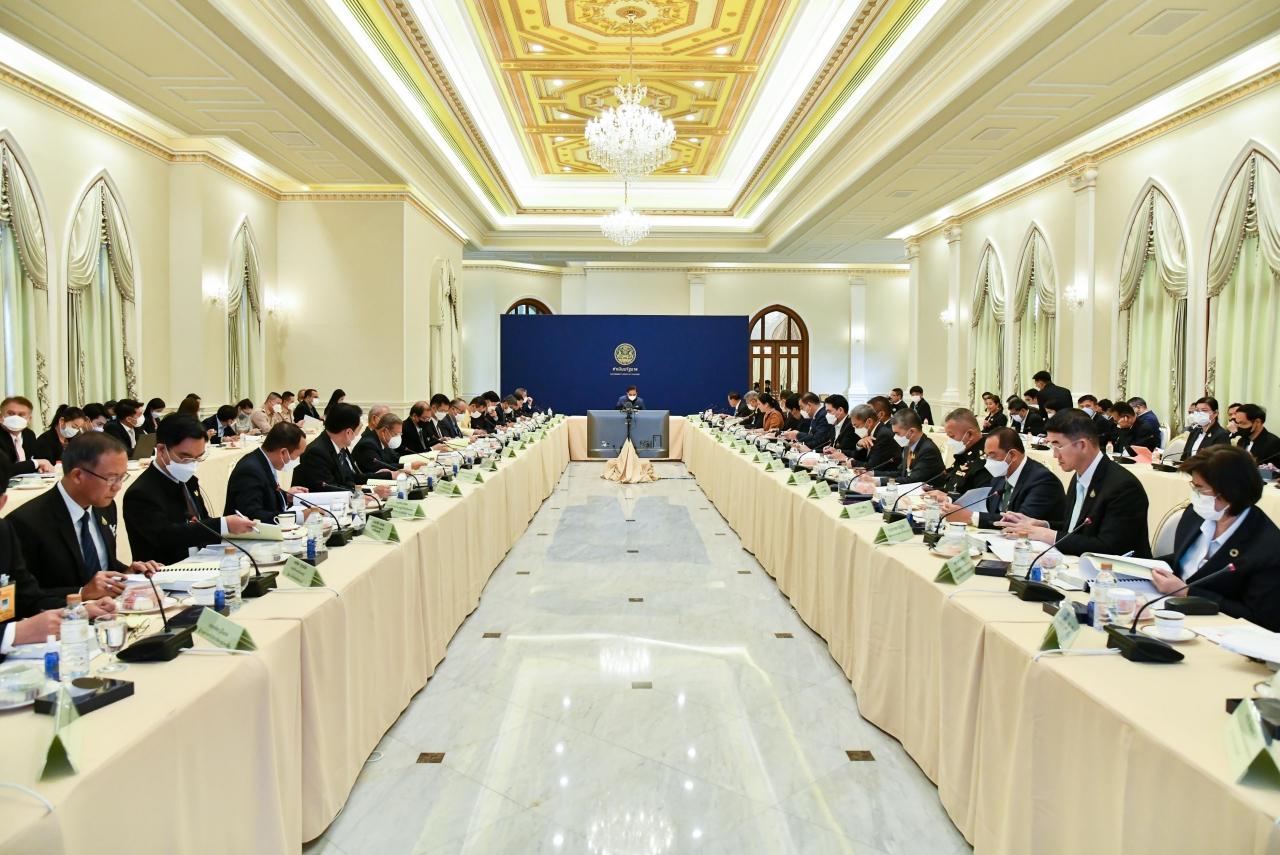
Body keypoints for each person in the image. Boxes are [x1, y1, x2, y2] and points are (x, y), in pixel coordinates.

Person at [10, 432, 163, 603]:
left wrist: (126, 573)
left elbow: (102, 564)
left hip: (109, 609)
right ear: (77, 475)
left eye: (122, 478)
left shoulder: (105, 507)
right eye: (111, 478)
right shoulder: (27, 522)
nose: (118, 487)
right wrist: (81, 593)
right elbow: (22, 597)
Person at [1151, 445, 1280, 630]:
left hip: (1222, 633)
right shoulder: (1195, 515)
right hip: (1168, 615)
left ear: (1228, 492)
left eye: (1200, 488)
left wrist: (1188, 593)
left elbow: (1261, 619)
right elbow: (1185, 562)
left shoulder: (1269, 548)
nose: (1194, 494)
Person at [1001, 409, 1150, 557]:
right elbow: (1075, 528)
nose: (1055, 454)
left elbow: (1109, 548)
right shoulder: (1079, 476)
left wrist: (1047, 535)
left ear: (1082, 445)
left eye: (1058, 446)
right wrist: (1042, 525)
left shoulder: (1123, 487)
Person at [0, 477, 118, 659]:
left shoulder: (3, 532)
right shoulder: (23, 521)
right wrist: (13, 633)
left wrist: (78, 610)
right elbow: (20, 626)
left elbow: (29, 598)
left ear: (2, 502)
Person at [123, 415, 257, 565]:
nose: (191, 465)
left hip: (203, 562)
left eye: (198, 458)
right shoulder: (141, 493)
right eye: (185, 457)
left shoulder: (189, 481)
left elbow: (201, 521)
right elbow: (167, 536)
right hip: (167, 570)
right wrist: (223, 525)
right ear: (161, 450)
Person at [940, 427, 1065, 528]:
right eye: (986, 456)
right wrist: (949, 500)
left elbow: (1019, 522)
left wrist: (971, 517)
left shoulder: (1042, 480)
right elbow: (985, 503)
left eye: (992, 455)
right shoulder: (999, 477)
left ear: (1013, 455)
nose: (988, 461)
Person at [223, 422, 309, 522]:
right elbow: (252, 516)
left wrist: (284, 496)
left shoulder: (263, 460)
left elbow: (264, 497)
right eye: (297, 455)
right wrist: (298, 516)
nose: (297, 460)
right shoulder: (250, 471)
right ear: (283, 452)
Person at [293, 402, 386, 491]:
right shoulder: (316, 453)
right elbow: (330, 488)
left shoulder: (340, 446)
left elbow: (352, 477)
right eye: (358, 429)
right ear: (348, 432)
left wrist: (384, 476)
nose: (358, 434)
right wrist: (369, 491)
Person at [864, 409, 943, 485]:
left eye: (897, 433)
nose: (895, 437)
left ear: (911, 431)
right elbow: (900, 473)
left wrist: (878, 481)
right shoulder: (908, 446)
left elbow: (912, 480)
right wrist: (871, 473)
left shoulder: (928, 450)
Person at [931, 408, 993, 496]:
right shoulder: (964, 454)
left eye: (952, 436)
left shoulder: (986, 461)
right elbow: (952, 486)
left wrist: (947, 497)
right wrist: (935, 490)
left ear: (970, 435)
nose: (949, 442)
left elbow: (977, 499)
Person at [0, 395, 53, 474]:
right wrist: (36, 463)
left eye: (21, 415)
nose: (16, 418)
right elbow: (5, 469)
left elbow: (33, 461)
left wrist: (40, 467)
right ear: (0, 416)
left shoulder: (29, 435)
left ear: (29, 419)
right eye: (11, 413)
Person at [353, 412, 414, 477]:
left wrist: (411, 463)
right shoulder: (368, 444)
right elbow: (380, 468)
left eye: (400, 434)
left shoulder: (383, 442)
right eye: (396, 434)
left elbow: (394, 459)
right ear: (384, 431)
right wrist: (407, 466)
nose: (398, 437)